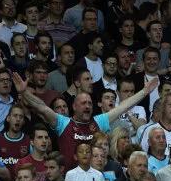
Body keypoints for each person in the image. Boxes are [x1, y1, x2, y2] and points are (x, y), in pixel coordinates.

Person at [12, 69, 158, 170]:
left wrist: (144, 92)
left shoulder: (98, 121)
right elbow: (41, 107)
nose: (87, 106)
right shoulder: (64, 123)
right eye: (83, 103)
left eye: (89, 103)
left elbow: (123, 107)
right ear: (74, 106)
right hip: (69, 179)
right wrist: (24, 93)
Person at [0, 104, 30, 174]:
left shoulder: (28, 141)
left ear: (23, 122)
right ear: (8, 118)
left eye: (21, 117)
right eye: (15, 116)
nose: (18, 119)